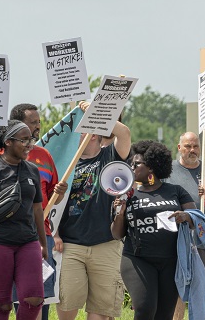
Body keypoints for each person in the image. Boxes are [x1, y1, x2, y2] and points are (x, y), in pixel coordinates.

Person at [54, 119, 131, 320]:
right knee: (67, 302)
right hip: (71, 245)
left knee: (101, 311)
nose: (72, 139)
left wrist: (94, 112)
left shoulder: (109, 156)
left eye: (77, 133)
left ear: (93, 135)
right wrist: (55, 233)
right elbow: (53, 203)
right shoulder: (66, 163)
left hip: (105, 243)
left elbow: (123, 133)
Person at [111, 140, 196, 320]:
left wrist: (185, 216)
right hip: (137, 259)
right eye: (130, 164)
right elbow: (117, 234)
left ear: (151, 167)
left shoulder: (175, 191)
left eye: (136, 164)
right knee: (145, 308)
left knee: (164, 315)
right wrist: (120, 213)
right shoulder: (127, 196)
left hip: (171, 260)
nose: (131, 167)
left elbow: (196, 218)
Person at [0, 120, 47, 320]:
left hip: (27, 241)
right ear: (7, 142)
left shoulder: (32, 170)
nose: (29, 144)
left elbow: (37, 209)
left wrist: (42, 243)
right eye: (24, 140)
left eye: (30, 139)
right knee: (1, 305)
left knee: (34, 298)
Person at [9, 103, 68, 320]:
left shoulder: (44, 155)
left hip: (41, 237)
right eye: (32, 122)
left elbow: (54, 194)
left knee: (40, 298)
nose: (37, 126)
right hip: (10, 237)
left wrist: (60, 192)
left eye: (38, 122)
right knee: (13, 299)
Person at [166, 132, 205, 320]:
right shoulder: (169, 171)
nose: (192, 150)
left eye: (196, 146)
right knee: (178, 287)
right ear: (179, 147)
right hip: (177, 238)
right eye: (188, 146)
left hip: (204, 238)